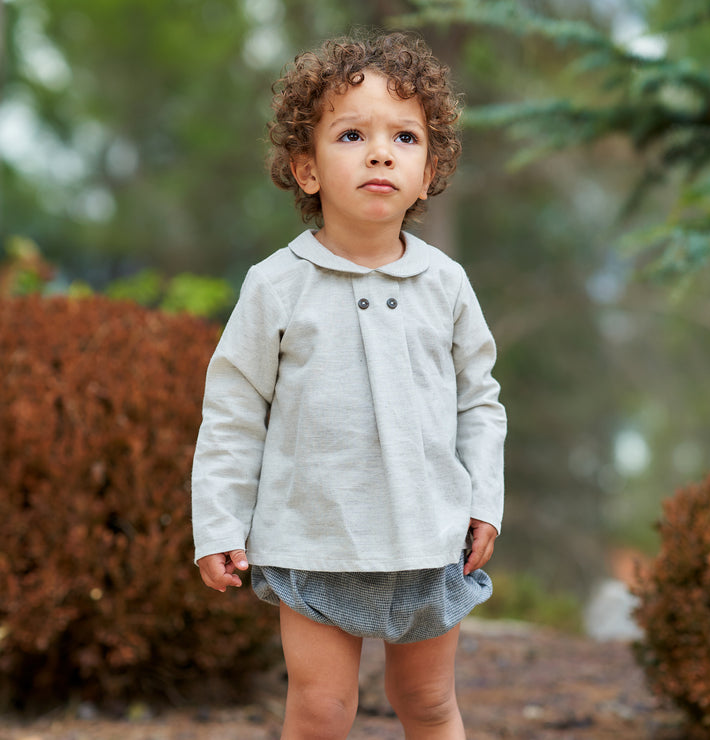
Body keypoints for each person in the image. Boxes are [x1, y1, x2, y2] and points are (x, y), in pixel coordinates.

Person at [191, 30, 507, 740]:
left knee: (427, 705)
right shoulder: (275, 286)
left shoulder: (446, 286)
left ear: (428, 173)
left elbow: (478, 402)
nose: (379, 151)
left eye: (404, 136)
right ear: (305, 169)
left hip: (430, 540)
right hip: (314, 540)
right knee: (321, 711)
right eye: (351, 134)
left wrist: (485, 499)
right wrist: (217, 523)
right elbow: (234, 412)